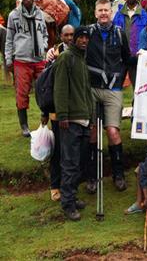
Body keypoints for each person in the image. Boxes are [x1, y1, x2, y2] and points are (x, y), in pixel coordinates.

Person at [86, 0, 131, 192]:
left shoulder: (120, 33)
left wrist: (119, 80)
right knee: (93, 131)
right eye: (100, 10)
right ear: (95, 13)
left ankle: (118, 174)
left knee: (112, 132)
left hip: (113, 89)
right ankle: (92, 176)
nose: (104, 13)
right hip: (93, 88)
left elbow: (127, 59)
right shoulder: (88, 33)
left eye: (107, 10)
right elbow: (74, 49)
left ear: (111, 13)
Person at [53, 26, 94, 221]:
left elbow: (87, 92)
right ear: (74, 39)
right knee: (69, 163)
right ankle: (67, 203)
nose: (84, 41)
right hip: (70, 120)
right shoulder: (66, 58)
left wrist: (92, 118)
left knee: (77, 163)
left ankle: (72, 196)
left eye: (87, 38)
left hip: (84, 119)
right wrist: (62, 115)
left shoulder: (81, 59)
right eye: (81, 38)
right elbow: (60, 89)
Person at [5, 0, 49, 137]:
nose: (28, 0)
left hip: (38, 59)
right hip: (22, 60)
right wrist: (8, 58)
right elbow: (9, 39)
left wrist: (43, 46)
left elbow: (45, 34)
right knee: (22, 93)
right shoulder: (13, 15)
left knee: (44, 90)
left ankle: (44, 121)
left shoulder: (40, 14)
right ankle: (24, 126)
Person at [43, 24, 75, 202]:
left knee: (72, 150)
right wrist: (45, 112)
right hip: (57, 111)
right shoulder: (53, 54)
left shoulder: (80, 52)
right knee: (58, 151)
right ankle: (55, 185)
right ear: (61, 36)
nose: (70, 38)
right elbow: (46, 84)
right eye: (66, 35)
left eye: (72, 35)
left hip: (75, 110)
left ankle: (70, 185)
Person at [112, 0, 147, 88]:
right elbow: (114, 33)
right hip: (121, 57)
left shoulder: (144, 15)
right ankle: (117, 105)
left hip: (136, 57)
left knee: (138, 88)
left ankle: (135, 104)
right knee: (116, 87)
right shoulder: (119, 14)